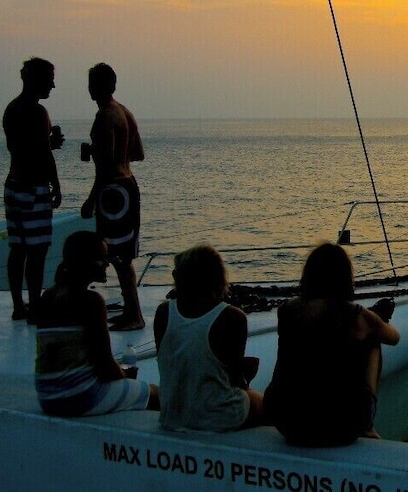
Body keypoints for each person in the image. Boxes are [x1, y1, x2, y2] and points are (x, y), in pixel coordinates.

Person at [264, 242, 400, 446]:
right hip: (341, 427)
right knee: (373, 341)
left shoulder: (287, 311)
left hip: (288, 423)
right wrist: (372, 320)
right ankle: (368, 425)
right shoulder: (356, 315)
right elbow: (394, 337)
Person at [33, 231, 158, 416]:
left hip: (47, 397)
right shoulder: (91, 302)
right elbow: (105, 365)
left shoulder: (47, 297)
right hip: (79, 397)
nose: (107, 263)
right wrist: (125, 376)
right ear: (84, 260)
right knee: (157, 394)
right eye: (102, 258)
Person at [154, 245, 263, 432]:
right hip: (215, 416)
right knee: (263, 403)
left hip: (172, 415)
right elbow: (235, 380)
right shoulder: (231, 317)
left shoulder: (164, 312)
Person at [81, 63, 146, 331]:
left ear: (93, 87)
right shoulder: (125, 113)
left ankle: (134, 314)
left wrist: (91, 199)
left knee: (118, 256)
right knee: (122, 255)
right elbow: (138, 153)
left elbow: (105, 164)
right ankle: (131, 310)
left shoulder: (105, 116)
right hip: (128, 184)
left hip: (114, 190)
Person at [2, 57, 64, 321]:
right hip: (34, 188)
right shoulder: (38, 113)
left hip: (14, 185)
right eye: (50, 78)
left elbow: (20, 148)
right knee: (37, 251)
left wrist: (46, 143)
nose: (53, 84)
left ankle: (19, 305)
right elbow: (41, 154)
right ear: (37, 79)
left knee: (18, 249)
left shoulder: (11, 108)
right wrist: (57, 184)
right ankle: (36, 307)